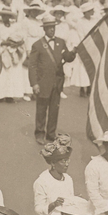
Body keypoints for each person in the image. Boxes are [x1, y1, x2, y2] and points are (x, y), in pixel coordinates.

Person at [28, 17, 76, 145]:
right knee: (41, 109)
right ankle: (39, 134)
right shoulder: (37, 45)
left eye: (53, 28)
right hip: (43, 82)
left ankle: (51, 134)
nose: (52, 30)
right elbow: (32, 65)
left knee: (54, 110)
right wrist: (34, 83)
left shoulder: (61, 42)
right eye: (49, 28)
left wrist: (73, 53)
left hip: (57, 82)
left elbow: (67, 57)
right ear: (44, 29)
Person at [33, 134, 75, 215]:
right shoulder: (42, 181)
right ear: (53, 163)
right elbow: (38, 209)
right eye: (63, 161)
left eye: (68, 160)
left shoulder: (68, 179)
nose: (66, 164)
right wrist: (54, 204)